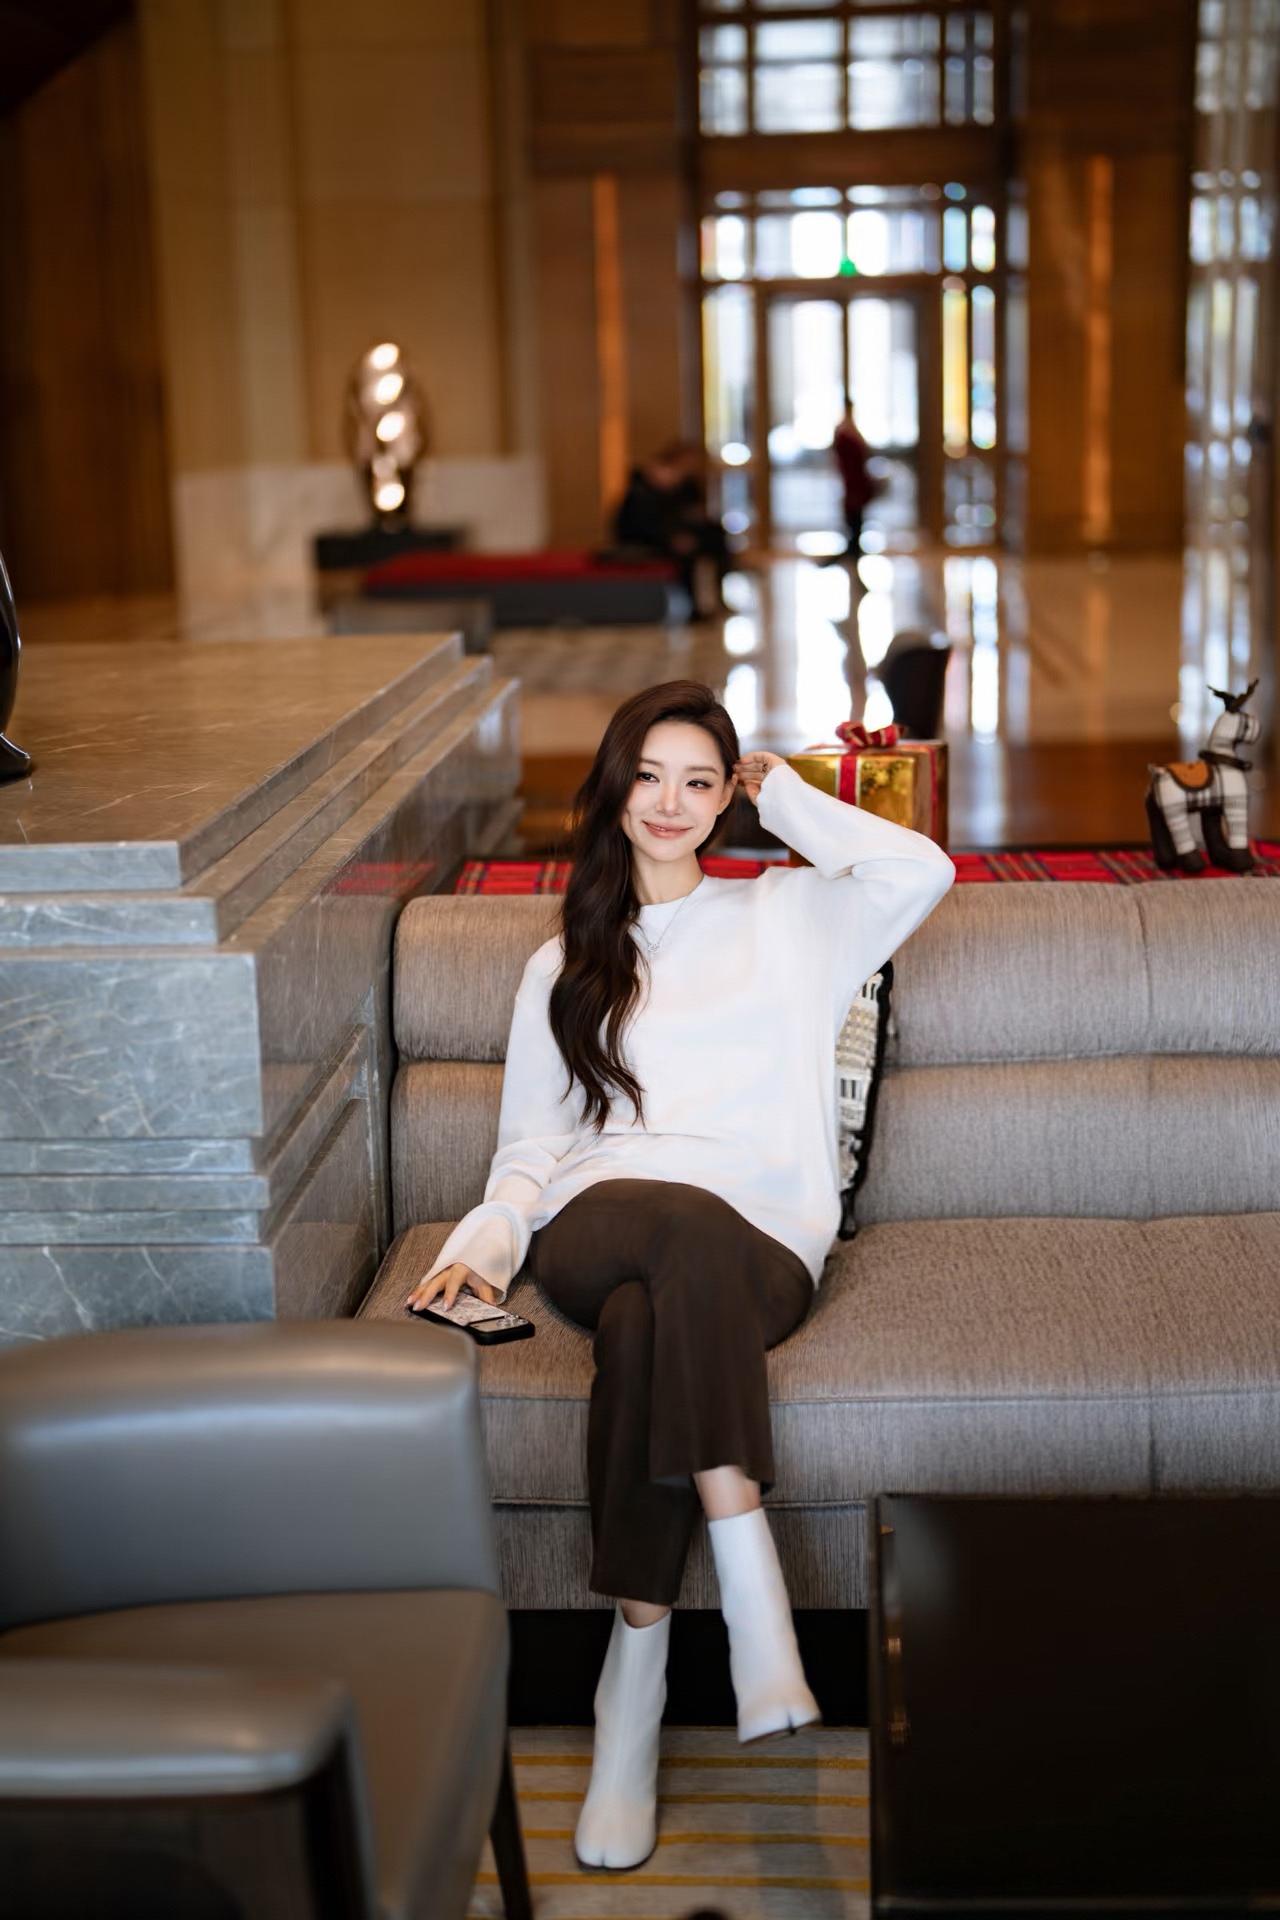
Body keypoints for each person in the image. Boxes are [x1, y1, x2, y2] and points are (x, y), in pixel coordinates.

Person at [405, 680, 956, 1872]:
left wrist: (787, 799)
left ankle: (633, 1682)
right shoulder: (564, 963)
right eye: (649, 776)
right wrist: (480, 1249)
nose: (670, 802)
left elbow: (918, 871)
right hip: (596, 1222)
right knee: (660, 1240)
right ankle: (751, 1584)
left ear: (724, 800)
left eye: (700, 780)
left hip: (757, 1248)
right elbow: (529, 1152)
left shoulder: (791, 917)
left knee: (647, 1324)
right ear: (613, 789)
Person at [611, 442, 730, 617]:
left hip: (676, 534)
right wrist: (673, 538)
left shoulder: (686, 485)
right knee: (686, 555)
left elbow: (690, 514)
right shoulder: (643, 486)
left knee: (716, 539)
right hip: (648, 538)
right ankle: (694, 606)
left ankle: (718, 598)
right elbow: (642, 523)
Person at [828, 403, 877, 566]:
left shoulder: (851, 432)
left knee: (857, 526)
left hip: (857, 485)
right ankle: (851, 561)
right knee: (854, 526)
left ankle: (853, 561)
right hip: (852, 486)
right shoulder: (844, 434)